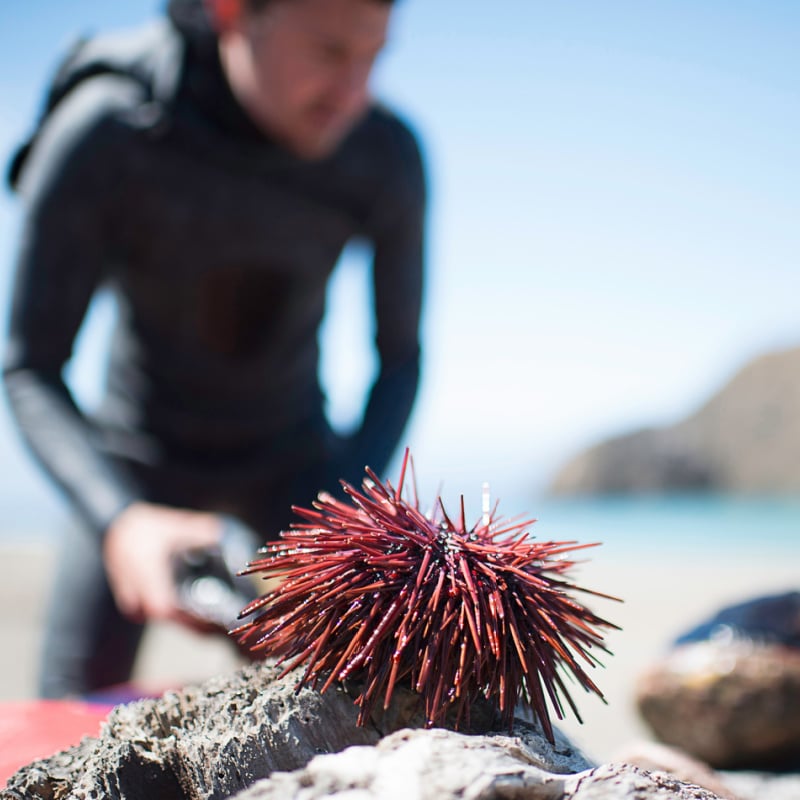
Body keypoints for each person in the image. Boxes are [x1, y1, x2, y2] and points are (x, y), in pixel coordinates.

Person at [3, 0, 426, 698]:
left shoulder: (385, 154)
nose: (354, 93)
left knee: (348, 713)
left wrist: (336, 518)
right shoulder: (111, 129)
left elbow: (400, 360)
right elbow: (29, 366)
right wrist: (120, 519)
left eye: (374, 56)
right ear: (233, 12)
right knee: (68, 716)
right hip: (135, 466)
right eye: (329, 52)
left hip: (296, 472)